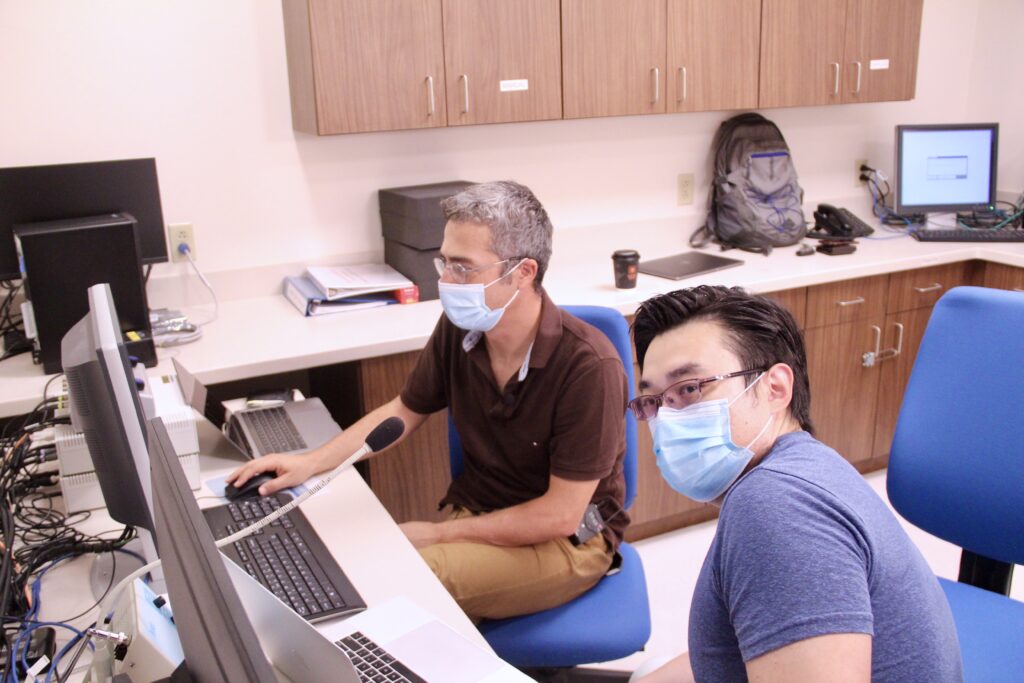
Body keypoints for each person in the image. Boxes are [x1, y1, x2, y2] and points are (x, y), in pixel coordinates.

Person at [227, 180, 629, 621]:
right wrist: (311, 463)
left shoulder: (589, 366)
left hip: (567, 542)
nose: (444, 281)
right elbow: (403, 410)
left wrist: (438, 536)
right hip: (483, 514)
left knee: (401, 581)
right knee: (358, 562)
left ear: (523, 272)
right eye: (444, 262)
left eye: (462, 268)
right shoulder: (462, 329)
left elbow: (559, 516)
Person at [629, 286, 961, 683]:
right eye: (653, 401)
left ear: (775, 388)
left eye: (689, 389)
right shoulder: (804, 463)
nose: (668, 420)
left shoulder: (775, 508)